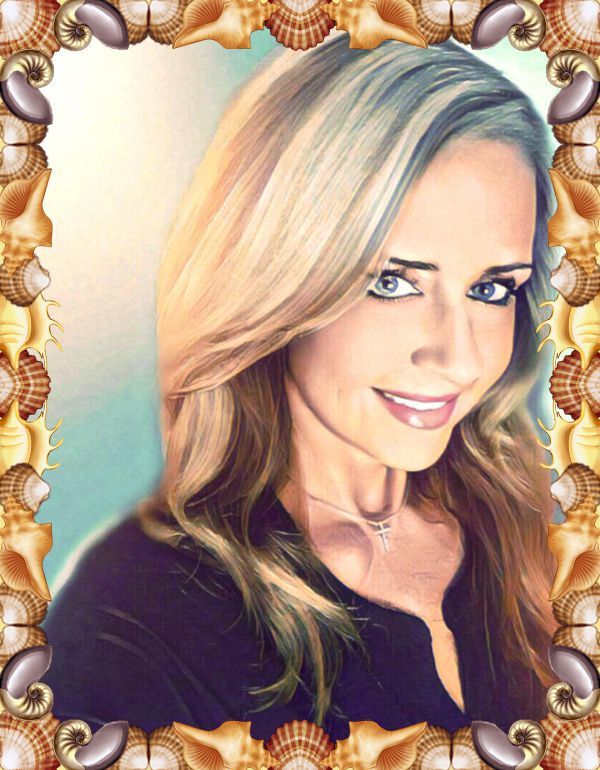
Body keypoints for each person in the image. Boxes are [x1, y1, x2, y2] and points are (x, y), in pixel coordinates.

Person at [43, 32, 559, 741]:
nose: (458, 356)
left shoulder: (538, 523)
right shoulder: (132, 626)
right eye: (391, 282)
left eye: (492, 288)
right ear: (276, 276)